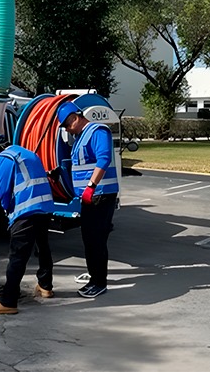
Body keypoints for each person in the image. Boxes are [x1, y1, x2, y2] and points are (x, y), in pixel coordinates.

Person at [0, 133, 56, 315]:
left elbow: (4, 190)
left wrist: (7, 211)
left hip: (26, 213)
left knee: (17, 257)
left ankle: (8, 301)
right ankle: (45, 286)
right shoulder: (28, 153)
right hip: (44, 208)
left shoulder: (5, 157)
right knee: (43, 246)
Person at [57, 102, 118, 298]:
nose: (66, 130)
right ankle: (94, 274)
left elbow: (104, 159)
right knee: (90, 239)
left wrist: (91, 187)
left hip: (100, 195)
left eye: (67, 125)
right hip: (90, 197)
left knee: (95, 240)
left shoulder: (98, 131)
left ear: (75, 118)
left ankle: (99, 282)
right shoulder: (81, 136)